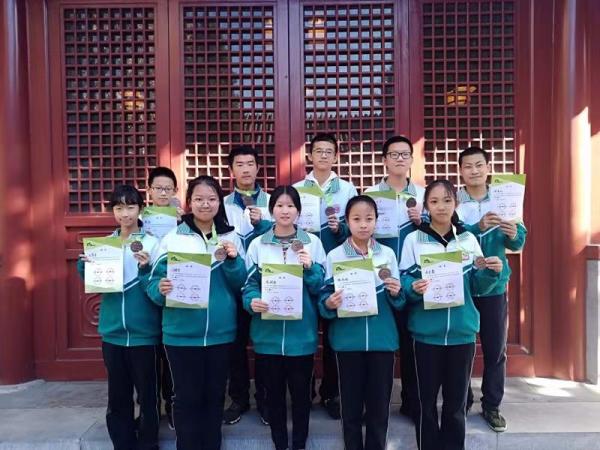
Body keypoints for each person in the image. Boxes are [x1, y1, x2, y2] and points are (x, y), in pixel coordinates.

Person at [145, 176, 247, 450]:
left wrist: (233, 261)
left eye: (212, 199)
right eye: (199, 199)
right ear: (189, 202)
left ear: (219, 203)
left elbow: (241, 284)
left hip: (220, 333)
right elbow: (153, 285)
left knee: (215, 397)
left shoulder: (230, 237)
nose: (205, 204)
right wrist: (161, 289)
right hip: (181, 334)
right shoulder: (173, 238)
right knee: (186, 398)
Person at [400, 179, 503, 450]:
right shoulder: (413, 240)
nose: (441, 207)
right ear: (426, 206)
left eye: (447, 200)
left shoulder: (467, 240)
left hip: (462, 333)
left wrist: (491, 273)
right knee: (425, 404)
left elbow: (478, 287)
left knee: (456, 405)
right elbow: (404, 282)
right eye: (434, 201)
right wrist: (413, 287)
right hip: (426, 335)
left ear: (455, 203)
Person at [77, 184, 161, 450]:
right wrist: (84, 266)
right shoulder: (104, 246)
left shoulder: (153, 244)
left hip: (145, 334)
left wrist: (146, 267)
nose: (125, 214)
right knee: (118, 395)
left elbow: (159, 285)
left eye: (131, 207)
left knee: (148, 396)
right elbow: (95, 282)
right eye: (119, 208)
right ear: (113, 211)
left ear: (141, 209)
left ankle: (148, 443)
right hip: (112, 333)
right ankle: (122, 443)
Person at [243, 185, 326, 450]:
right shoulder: (258, 244)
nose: (285, 210)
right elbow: (248, 285)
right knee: (273, 397)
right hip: (267, 336)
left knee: (302, 398)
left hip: (301, 336)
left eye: (291, 205)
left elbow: (321, 287)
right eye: (280, 205)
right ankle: (279, 443)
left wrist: (309, 267)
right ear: (272, 210)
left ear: (299, 211)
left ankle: (299, 444)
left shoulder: (312, 243)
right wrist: (251, 301)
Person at [320, 195, 405, 450]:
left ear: (377, 221)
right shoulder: (335, 256)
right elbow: (324, 297)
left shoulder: (387, 254)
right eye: (357, 219)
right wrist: (329, 303)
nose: (363, 224)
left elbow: (400, 301)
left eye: (369, 218)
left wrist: (396, 293)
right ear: (347, 222)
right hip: (348, 342)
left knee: (379, 408)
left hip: (382, 341)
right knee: (351, 408)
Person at [456, 147, 527, 432]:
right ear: (460, 170)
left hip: (494, 287)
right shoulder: (452, 200)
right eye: (468, 166)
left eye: (479, 165)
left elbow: (518, 243)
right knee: (461, 348)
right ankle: (462, 401)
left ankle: (492, 405)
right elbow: (447, 238)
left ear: (488, 167)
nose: (474, 171)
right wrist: (476, 227)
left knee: (495, 349)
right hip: (463, 286)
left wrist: (514, 234)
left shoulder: (504, 198)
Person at [293, 132, 358, 419]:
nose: (322, 155)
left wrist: (339, 229)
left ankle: (332, 392)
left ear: (336, 156)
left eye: (328, 151)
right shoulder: (297, 189)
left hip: (336, 267)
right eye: (318, 151)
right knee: (306, 330)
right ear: (309, 156)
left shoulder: (347, 189)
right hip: (305, 268)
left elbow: (357, 226)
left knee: (334, 333)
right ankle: (305, 391)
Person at [364, 135, 424, 420]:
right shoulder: (371, 195)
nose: (400, 159)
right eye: (394, 154)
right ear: (384, 160)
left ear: (411, 159)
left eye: (404, 154)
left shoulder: (424, 195)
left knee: (412, 345)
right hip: (380, 281)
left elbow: (440, 231)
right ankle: (376, 406)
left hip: (413, 279)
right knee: (380, 347)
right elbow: (359, 232)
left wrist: (421, 221)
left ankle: (412, 402)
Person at [222, 145, 271, 425]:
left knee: (264, 344)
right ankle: (239, 398)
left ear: (258, 168)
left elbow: (284, 235)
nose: (245, 169)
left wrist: (263, 223)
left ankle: (265, 399)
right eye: (239, 164)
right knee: (235, 345)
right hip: (231, 285)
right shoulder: (221, 204)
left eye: (250, 163)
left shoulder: (274, 203)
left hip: (265, 284)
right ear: (231, 170)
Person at [145, 166, 182, 429]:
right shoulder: (138, 218)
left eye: (168, 189)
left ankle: (172, 404)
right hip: (146, 292)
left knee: (170, 355)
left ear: (175, 191)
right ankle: (150, 408)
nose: (162, 193)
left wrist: (180, 221)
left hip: (174, 290)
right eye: (158, 188)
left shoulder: (183, 221)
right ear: (149, 191)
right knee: (148, 356)